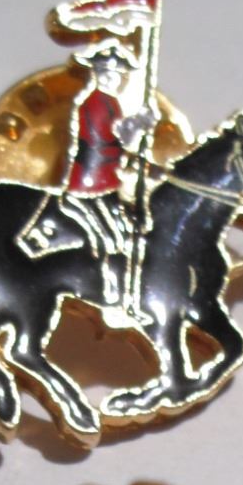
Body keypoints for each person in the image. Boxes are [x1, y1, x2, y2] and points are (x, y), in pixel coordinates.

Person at [61, 42, 157, 307]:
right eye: (108, 73)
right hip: (91, 183)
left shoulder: (111, 102)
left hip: (109, 180)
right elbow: (108, 139)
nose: (113, 78)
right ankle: (108, 289)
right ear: (98, 74)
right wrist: (137, 124)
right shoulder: (94, 103)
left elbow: (122, 139)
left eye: (117, 74)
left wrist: (137, 126)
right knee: (113, 237)